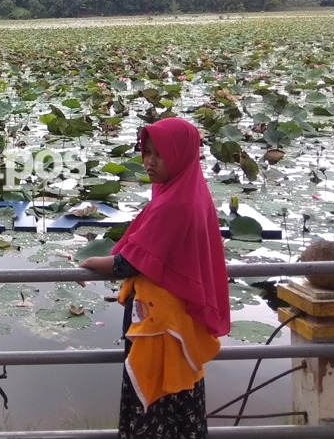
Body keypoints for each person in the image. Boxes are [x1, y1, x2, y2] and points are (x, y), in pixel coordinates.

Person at [79, 117, 230, 438]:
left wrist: (88, 262)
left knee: (154, 406)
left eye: (159, 154)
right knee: (179, 408)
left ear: (179, 155)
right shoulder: (190, 191)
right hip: (176, 321)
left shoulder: (174, 204)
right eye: (146, 152)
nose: (149, 161)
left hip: (161, 327)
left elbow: (126, 264)